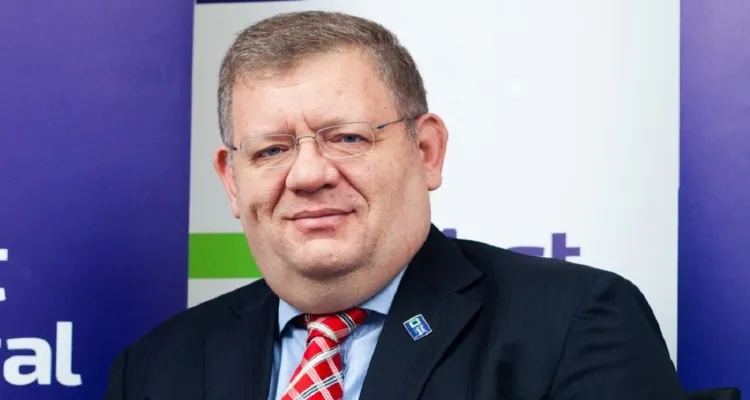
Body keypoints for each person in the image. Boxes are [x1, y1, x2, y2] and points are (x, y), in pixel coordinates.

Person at [102, 10, 685, 400]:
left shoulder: (573, 325)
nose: (308, 174)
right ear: (233, 181)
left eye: (346, 138)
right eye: (272, 150)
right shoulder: (154, 370)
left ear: (426, 151)